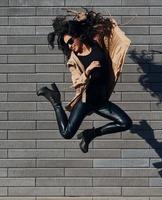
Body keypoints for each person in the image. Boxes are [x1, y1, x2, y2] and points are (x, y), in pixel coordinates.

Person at [36, 9, 132, 153]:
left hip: (101, 101)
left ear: (77, 36)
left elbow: (99, 26)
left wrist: (84, 17)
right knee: (67, 133)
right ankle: (55, 100)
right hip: (86, 102)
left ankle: (90, 134)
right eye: (66, 45)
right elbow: (76, 82)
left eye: (70, 41)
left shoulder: (95, 42)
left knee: (125, 123)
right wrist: (87, 71)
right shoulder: (73, 60)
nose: (69, 46)